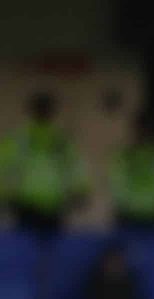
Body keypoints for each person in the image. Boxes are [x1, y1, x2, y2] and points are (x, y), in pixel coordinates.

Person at [0, 92, 88, 237]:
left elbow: (75, 168)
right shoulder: (18, 139)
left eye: (46, 108)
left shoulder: (61, 141)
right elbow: (3, 168)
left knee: (48, 247)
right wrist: (4, 197)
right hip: (25, 205)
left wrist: (80, 192)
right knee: (28, 246)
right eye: (41, 108)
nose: (43, 111)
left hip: (54, 206)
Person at [109, 112, 154, 233]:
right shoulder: (125, 156)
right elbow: (116, 182)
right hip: (127, 215)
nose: (144, 133)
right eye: (141, 129)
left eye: (148, 130)